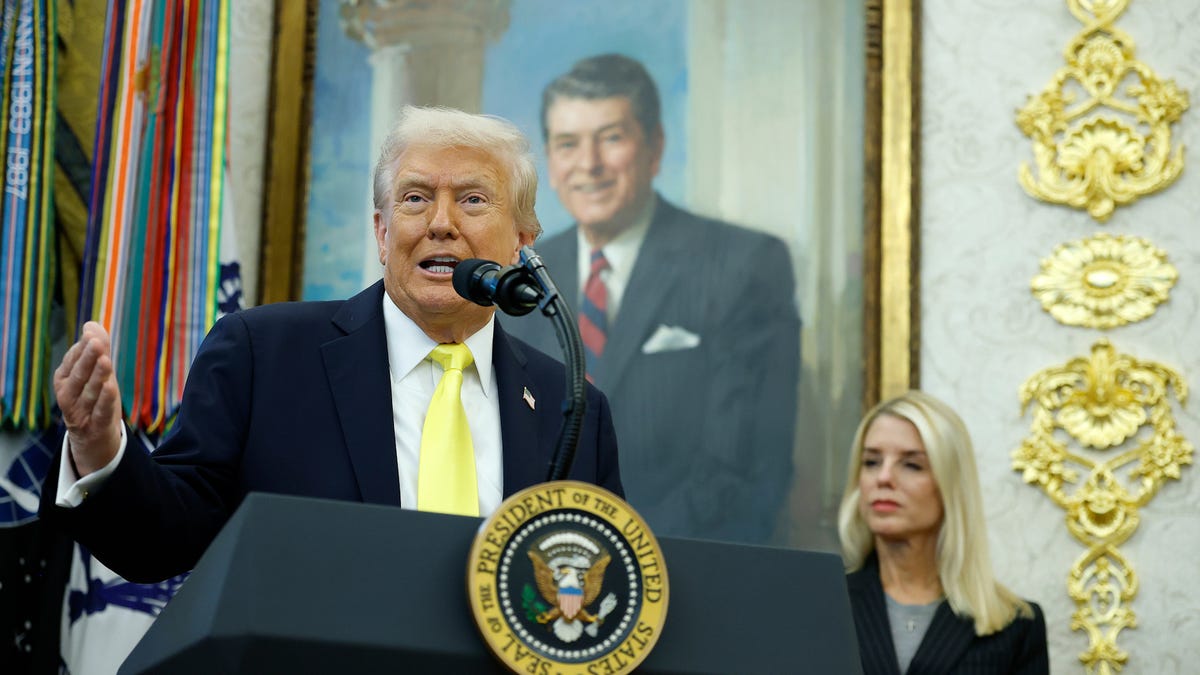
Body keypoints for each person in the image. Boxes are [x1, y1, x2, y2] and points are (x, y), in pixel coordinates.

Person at [39, 107, 623, 584]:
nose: (440, 223)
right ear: (381, 232)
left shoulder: (571, 406)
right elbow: (163, 541)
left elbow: (601, 589)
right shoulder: (262, 354)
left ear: (522, 243)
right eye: (415, 198)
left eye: (473, 199)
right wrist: (100, 448)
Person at [501, 53, 799, 544]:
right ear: (550, 164)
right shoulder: (521, 273)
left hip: (687, 570)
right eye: (568, 144)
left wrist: (620, 559)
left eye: (611, 138)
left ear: (654, 148)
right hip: (536, 571)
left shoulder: (744, 265)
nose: (589, 164)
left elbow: (744, 472)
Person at [838, 390, 1049, 674]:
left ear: (950, 485)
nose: (884, 477)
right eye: (871, 462)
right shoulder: (820, 604)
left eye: (912, 464)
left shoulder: (1015, 624)